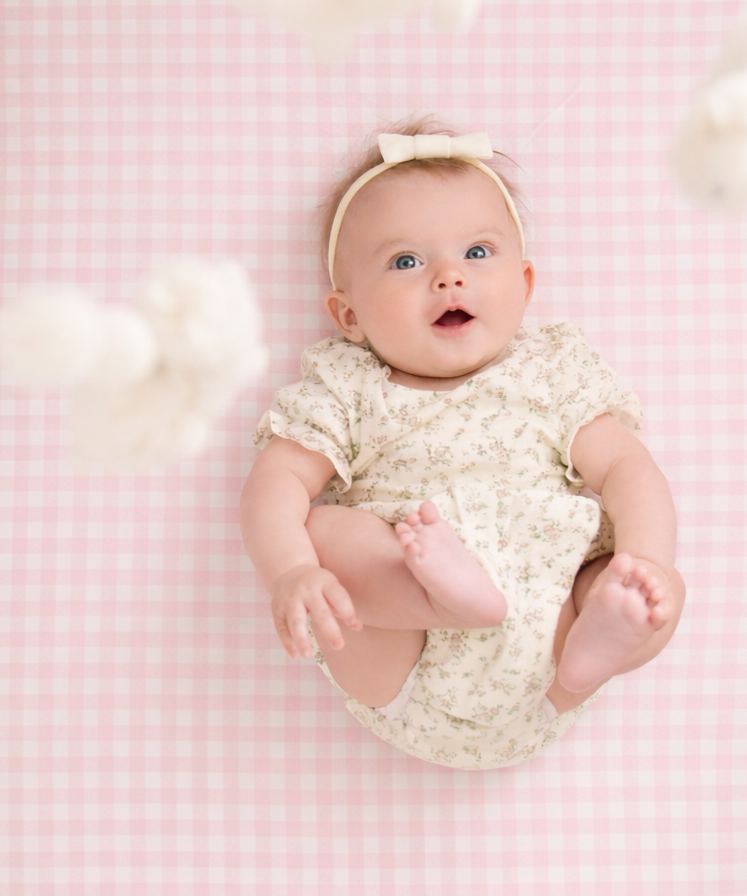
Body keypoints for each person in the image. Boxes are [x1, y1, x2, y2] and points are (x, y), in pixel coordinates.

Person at [240, 121, 686, 770]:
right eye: (406, 261)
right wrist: (291, 570)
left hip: (552, 645)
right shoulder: (347, 386)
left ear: (525, 283)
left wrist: (648, 564)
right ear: (349, 316)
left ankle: (601, 644)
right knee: (324, 528)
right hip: (400, 661)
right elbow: (273, 484)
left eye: (477, 253)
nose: (449, 277)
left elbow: (627, 468)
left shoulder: (551, 370)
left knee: (645, 595)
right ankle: (442, 599)